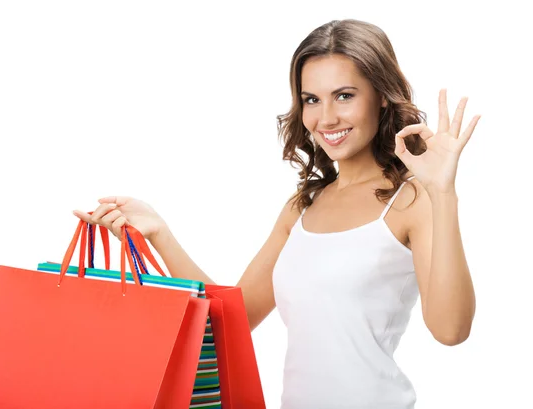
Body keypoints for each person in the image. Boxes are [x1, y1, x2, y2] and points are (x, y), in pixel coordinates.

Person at [74, 19, 478, 409]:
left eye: (344, 95)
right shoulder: (302, 207)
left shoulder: (411, 201)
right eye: (311, 100)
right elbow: (230, 321)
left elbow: (450, 330)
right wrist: (159, 233)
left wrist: (443, 192)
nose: (326, 118)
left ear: (382, 95)